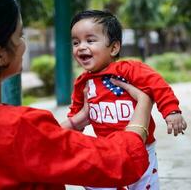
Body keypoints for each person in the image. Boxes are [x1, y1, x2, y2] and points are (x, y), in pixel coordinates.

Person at [0, 0, 153, 189]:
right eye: (20, 35)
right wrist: (143, 103)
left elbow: (35, 147)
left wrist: (75, 121)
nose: (23, 44)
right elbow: (119, 161)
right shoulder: (17, 128)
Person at [68, 10, 187, 190]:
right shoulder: (83, 83)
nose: (81, 47)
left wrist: (171, 110)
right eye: (76, 42)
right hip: (108, 149)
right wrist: (71, 139)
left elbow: (157, 85)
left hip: (142, 146)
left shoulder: (129, 69)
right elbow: (76, 114)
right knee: (95, 181)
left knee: (145, 184)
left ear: (114, 48)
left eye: (90, 40)